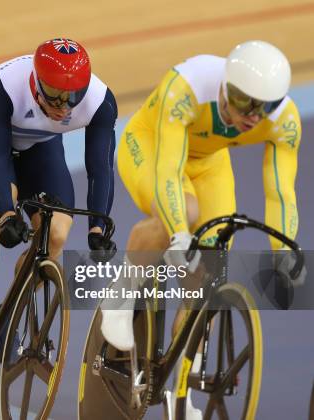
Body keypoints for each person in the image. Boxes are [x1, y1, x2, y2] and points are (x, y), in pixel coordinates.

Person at [100, 40, 304, 419]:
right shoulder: (187, 88)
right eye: (245, 102)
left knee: (209, 268)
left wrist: (284, 254)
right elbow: (167, 171)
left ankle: (182, 389)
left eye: (266, 107)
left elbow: (280, 193)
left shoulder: (284, 122)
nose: (253, 116)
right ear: (225, 86)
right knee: (185, 214)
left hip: (208, 165)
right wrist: (179, 231)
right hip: (151, 146)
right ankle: (121, 293)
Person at [0, 38, 118, 354]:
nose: (63, 106)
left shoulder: (100, 101)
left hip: (38, 147)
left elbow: (100, 168)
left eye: (72, 98)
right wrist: (9, 213)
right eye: (54, 95)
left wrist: (97, 228)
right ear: (37, 82)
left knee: (56, 233)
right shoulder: (6, 84)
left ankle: (8, 313)